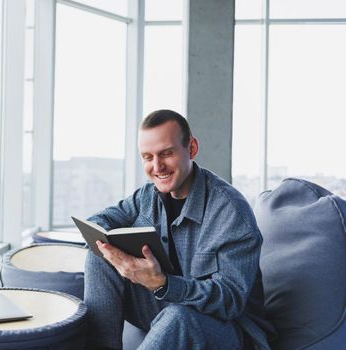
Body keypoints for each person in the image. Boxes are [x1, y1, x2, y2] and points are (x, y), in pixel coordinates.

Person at [84, 109, 276, 350]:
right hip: (167, 306)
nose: (157, 166)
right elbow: (102, 219)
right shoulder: (147, 195)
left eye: (166, 153)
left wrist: (162, 284)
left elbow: (230, 301)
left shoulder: (230, 212)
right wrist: (110, 245)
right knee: (99, 254)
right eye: (147, 157)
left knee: (179, 318)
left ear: (192, 148)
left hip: (228, 330)